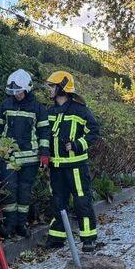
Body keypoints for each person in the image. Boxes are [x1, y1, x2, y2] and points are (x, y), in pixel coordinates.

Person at [44, 70, 101, 253]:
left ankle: (88, 238)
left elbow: (94, 132)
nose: (49, 89)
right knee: (57, 202)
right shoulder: (50, 111)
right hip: (56, 166)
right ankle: (57, 237)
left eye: (52, 86)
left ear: (62, 88)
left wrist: (77, 145)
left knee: (82, 201)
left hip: (76, 166)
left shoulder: (80, 110)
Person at [0, 69, 50, 238]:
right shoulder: (4, 106)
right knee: (9, 190)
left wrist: (44, 153)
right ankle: (9, 224)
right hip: (8, 157)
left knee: (24, 191)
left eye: (19, 91)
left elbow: (44, 132)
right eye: (14, 92)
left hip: (30, 158)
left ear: (27, 89)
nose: (16, 95)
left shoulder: (38, 108)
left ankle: (22, 224)